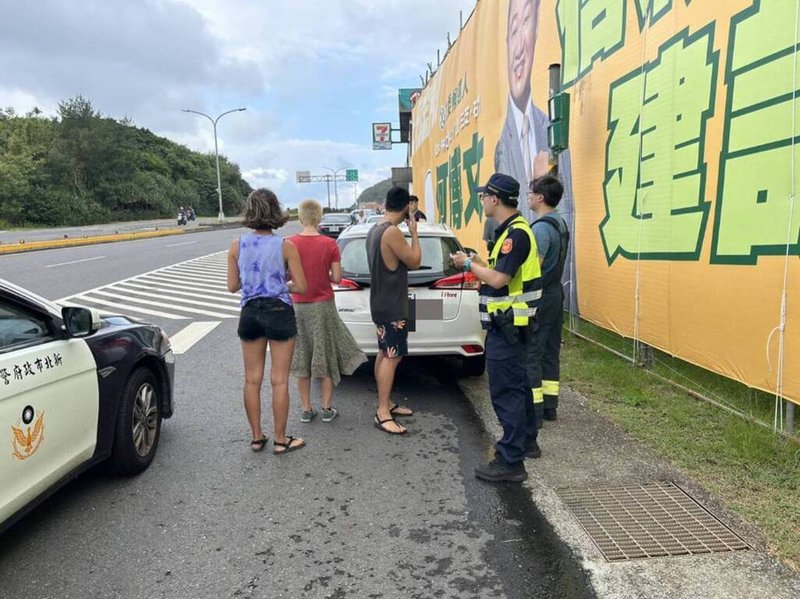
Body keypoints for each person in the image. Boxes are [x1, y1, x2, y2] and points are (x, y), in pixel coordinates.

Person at [452, 173, 542, 483]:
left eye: (484, 196)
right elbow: (502, 273)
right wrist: (480, 261)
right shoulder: (509, 232)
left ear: (495, 198)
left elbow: (499, 280)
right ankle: (527, 443)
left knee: (507, 393)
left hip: (509, 328)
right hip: (513, 326)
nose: (482, 201)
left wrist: (467, 264)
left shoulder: (516, 234)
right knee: (518, 389)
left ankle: (510, 460)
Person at [494, 0, 577, 312]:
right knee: (546, 359)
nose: (518, 46)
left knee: (537, 360)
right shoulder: (502, 144)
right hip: (549, 301)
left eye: (525, 24)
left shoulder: (542, 228)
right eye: (512, 31)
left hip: (538, 305)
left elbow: (533, 271)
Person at [227, 188, 308, 455]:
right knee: (279, 380)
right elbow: (301, 286)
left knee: (252, 379)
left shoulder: (237, 245)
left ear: (249, 211)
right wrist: (279, 284)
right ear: (276, 211)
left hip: (250, 313)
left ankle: (256, 437)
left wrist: (252, 282)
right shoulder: (287, 246)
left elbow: (232, 286)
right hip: (279, 311)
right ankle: (281, 440)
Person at [288, 199, 367, 423]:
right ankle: (326, 408)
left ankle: (305, 409)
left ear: (301, 218)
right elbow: (338, 278)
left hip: (298, 307)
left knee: (302, 356)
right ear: (319, 218)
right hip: (323, 306)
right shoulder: (330, 245)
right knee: (325, 353)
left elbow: (285, 278)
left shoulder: (289, 243)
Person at [366, 187, 421, 434]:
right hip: (392, 304)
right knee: (392, 356)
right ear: (406, 207)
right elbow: (415, 261)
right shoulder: (392, 232)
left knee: (384, 352)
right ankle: (382, 412)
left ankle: (385, 402)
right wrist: (415, 234)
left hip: (379, 301)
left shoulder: (374, 228)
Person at [526, 175, 569, 424]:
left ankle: (535, 410)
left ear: (541, 197)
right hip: (556, 293)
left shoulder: (541, 229)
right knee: (551, 351)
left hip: (541, 296)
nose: (528, 197)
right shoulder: (560, 224)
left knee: (532, 352)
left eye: (532, 193)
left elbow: (534, 267)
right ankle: (550, 405)